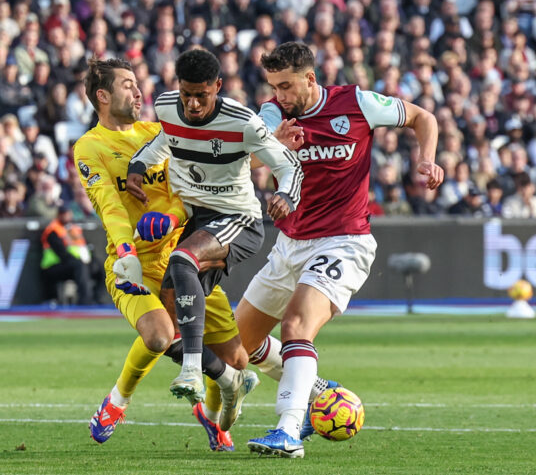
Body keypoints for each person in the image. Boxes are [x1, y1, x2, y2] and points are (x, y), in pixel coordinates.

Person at [241, 42, 443, 458]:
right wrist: (272, 144)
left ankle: (288, 430)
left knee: (296, 324)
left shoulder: (357, 103)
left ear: (311, 79)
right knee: (237, 346)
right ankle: (316, 389)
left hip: (344, 240)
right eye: (274, 86)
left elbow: (424, 117)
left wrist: (427, 159)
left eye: (286, 86)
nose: (279, 95)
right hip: (289, 244)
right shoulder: (273, 115)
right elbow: (244, 162)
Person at [125, 48, 304, 431]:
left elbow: (288, 164)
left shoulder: (244, 122)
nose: (191, 103)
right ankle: (228, 379)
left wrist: (286, 195)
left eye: (201, 95)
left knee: (182, 260)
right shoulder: (168, 107)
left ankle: (192, 371)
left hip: (238, 218)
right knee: (167, 327)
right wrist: (138, 165)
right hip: (196, 220)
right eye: (186, 93)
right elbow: (164, 140)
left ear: (218, 87)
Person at [76, 58, 245, 450]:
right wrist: (125, 251)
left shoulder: (159, 133)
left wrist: (167, 219)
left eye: (138, 84)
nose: (139, 92)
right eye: (128, 85)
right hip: (131, 263)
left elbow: (184, 193)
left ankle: (213, 417)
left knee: (237, 360)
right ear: (103, 96)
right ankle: (117, 401)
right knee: (158, 335)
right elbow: (109, 205)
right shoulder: (89, 147)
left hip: (183, 260)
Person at [39, 205, 105, 305]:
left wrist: (89, 260)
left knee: (99, 266)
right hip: (54, 266)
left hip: (75, 263)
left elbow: (84, 245)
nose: (66, 216)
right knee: (80, 266)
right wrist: (80, 262)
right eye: (63, 214)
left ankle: (96, 298)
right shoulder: (53, 230)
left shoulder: (74, 229)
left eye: (67, 213)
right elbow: (62, 253)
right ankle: (85, 301)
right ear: (59, 215)